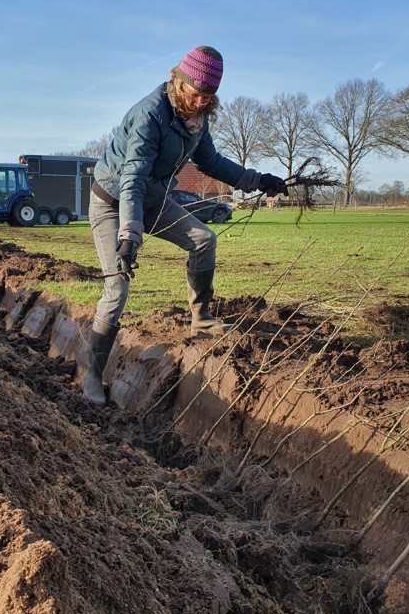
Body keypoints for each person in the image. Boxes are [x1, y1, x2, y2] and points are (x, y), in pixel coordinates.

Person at [81, 45, 288, 406]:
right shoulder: (151, 113)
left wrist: (258, 179)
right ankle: (92, 376)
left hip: (152, 198)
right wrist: (129, 234)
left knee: (204, 239)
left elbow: (210, 161)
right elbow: (132, 178)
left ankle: (202, 318)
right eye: (195, 95)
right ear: (179, 81)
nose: (199, 103)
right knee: (117, 289)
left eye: (207, 98)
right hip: (114, 200)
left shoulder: (198, 118)